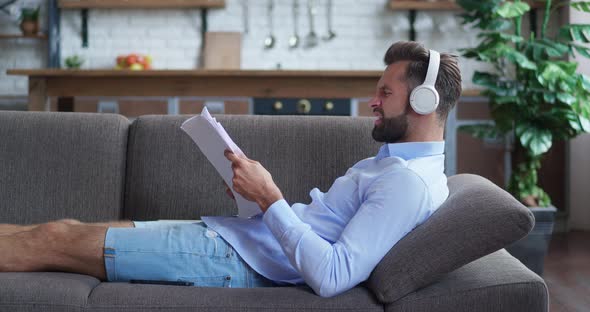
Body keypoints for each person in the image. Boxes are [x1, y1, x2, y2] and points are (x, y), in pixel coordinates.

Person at [0, 41, 461, 298]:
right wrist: (256, 206)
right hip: (239, 242)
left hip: (230, 260)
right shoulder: (393, 166)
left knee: (55, 239)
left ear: (423, 102)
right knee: (61, 229)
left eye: (385, 93)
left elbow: (333, 275)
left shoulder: (406, 183)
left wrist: (270, 199)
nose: (373, 103)